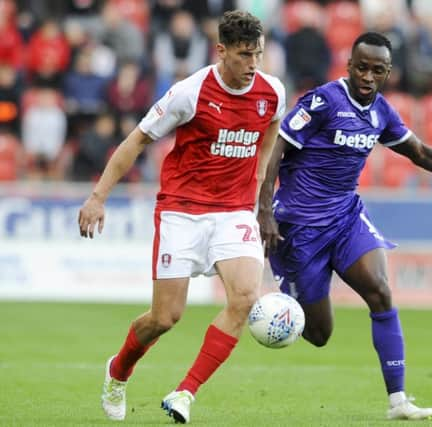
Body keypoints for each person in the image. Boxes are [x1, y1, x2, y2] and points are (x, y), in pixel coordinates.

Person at [257, 32, 432, 421]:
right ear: (349, 65)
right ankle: (268, 311)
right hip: (300, 227)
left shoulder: (381, 112)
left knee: (380, 291)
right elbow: (278, 149)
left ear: (388, 72)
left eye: (378, 70)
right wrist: (265, 212)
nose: (368, 77)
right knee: (319, 335)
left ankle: (398, 401)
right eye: (362, 67)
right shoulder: (323, 101)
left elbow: (420, 153)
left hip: (344, 217)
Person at [78, 10, 285, 424]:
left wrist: (261, 195)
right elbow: (137, 139)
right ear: (221, 51)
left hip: (233, 212)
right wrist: (98, 197)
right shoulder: (189, 93)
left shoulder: (272, 92)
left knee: (244, 299)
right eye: (244, 56)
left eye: (258, 55)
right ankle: (118, 371)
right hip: (182, 211)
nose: (252, 65)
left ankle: (185, 392)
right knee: (165, 318)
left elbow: (271, 133)